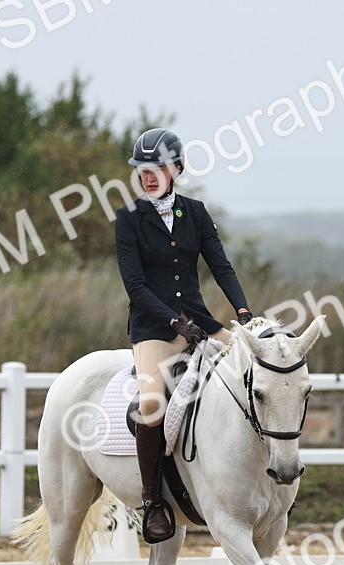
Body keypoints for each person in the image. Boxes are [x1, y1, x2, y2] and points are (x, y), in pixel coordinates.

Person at [115, 127, 253, 543]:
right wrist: (173, 322)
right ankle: (153, 501)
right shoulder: (129, 219)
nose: (149, 176)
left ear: (176, 168)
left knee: (255, 374)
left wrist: (243, 311)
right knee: (152, 403)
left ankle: (263, 479)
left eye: (157, 168)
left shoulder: (195, 212)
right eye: (142, 170)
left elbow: (220, 266)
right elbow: (135, 286)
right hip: (154, 330)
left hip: (201, 322)